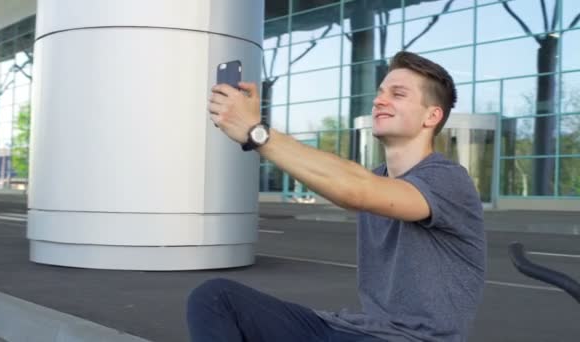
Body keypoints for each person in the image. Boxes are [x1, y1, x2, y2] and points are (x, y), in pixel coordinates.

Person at [187, 51, 486, 342]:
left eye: (398, 94)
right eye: (380, 92)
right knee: (216, 298)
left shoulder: (448, 180)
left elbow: (355, 190)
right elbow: (352, 182)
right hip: (355, 329)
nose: (380, 100)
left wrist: (256, 131)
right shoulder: (376, 177)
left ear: (431, 116)